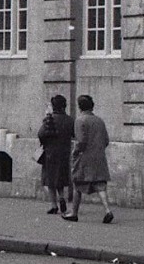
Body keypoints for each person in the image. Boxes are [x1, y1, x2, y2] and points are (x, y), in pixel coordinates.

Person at [66, 94, 114, 224]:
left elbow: (80, 141)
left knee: (78, 183)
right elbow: (106, 140)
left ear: (80, 107)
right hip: (99, 157)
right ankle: (107, 210)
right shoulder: (99, 121)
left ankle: (74, 213)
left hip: (84, 158)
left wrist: (75, 152)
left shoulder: (80, 120)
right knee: (100, 185)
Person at [37, 94, 75, 216]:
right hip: (64, 153)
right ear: (64, 106)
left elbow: (41, 134)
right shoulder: (70, 120)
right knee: (60, 178)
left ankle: (54, 205)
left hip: (50, 153)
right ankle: (62, 197)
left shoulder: (50, 119)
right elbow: (74, 135)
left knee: (50, 180)